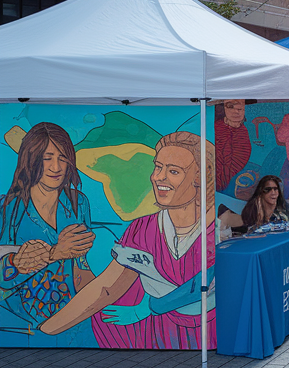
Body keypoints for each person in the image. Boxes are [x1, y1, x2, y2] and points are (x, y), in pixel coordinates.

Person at [41, 131, 216, 350]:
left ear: (201, 177)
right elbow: (107, 286)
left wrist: (148, 307)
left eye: (173, 171)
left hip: (209, 332)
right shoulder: (142, 229)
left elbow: (199, 285)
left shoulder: (216, 229)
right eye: (158, 167)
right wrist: (48, 329)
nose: (158, 177)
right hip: (156, 336)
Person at [0, 122, 97, 346]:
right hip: (21, 325)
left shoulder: (78, 202)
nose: (56, 167)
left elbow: (80, 266)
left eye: (63, 158)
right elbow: (4, 276)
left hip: (71, 318)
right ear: (31, 159)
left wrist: (105, 294)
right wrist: (53, 253)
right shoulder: (10, 207)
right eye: (47, 157)